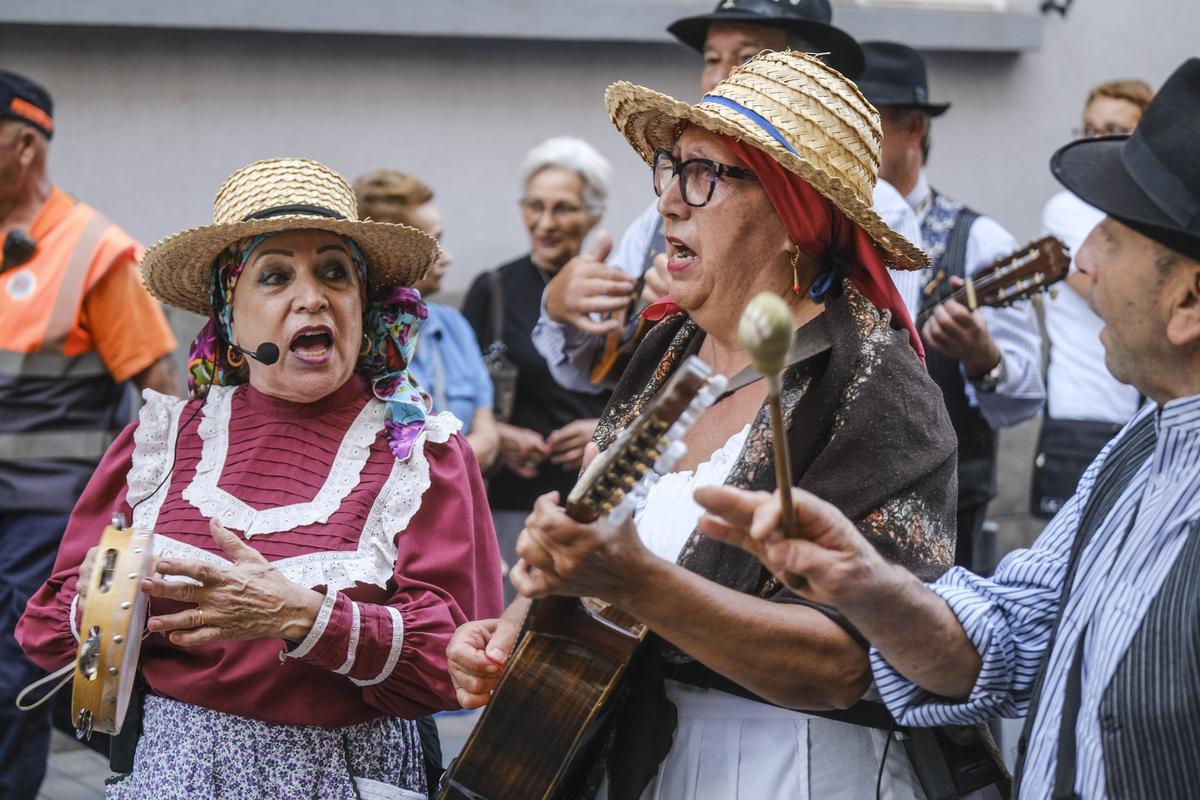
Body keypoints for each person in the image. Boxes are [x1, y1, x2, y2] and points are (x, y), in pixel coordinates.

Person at [450, 51, 964, 799]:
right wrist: (520, 622)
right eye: (671, 169)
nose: (667, 203)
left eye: (705, 174)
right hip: (646, 760)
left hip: (792, 771)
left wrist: (640, 584)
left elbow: (848, 664)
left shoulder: (875, 384)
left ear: (796, 215)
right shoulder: (669, 350)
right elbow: (600, 530)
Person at [697, 58, 1200, 799]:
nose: (1083, 263)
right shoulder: (1139, 448)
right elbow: (1003, 640)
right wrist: (870, 587)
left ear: (1189, 301)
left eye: (1113, 238)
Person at [16, 157, 504, 798]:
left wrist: (303, 617)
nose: (312, 296)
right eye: (275, 276)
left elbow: (460, 661)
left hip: (348, 776)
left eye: (335, 272)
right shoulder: (163, 440)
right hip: (173, 771)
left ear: (364, 304)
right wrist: (105, 604)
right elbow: (50, 628)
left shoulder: (418, 450)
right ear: (230, 317)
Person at [0, 69, 181, 800]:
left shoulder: (98, 252)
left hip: (45, 515)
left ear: (22, 146)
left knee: (9, 678)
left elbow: (164, 397)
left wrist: (150, 520)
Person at [531, 0, 868, 393]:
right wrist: (562, 306)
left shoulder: (868, 214)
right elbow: (595, 373)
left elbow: (869, 367)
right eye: (711, 59)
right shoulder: (663, 213)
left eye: (748, 58)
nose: (721, 78)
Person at [856, 41, 1045, 571]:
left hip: (945, 508)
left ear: (913, 128)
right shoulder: (822, 233)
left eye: (865, 125)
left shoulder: (983, 242)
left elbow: (1024, 398)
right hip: (841, 493)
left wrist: (983, 358)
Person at [460, 137, 613, 584]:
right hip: (509, 505)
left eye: (563, 208)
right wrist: (496, 433)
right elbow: (448, 392)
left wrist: (606, 429)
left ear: (594, 215)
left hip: (596, 504)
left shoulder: (620, 288)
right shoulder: (495, 289)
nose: (545, 223)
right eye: (535, 206)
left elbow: (657, 389)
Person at [1032, 79, 1153, 519]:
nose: (1096, 141)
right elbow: (1115, 295)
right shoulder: (1065, 209)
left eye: (1112, 132)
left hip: (1152, 409)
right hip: (1083, 411)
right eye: (1089, 130)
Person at [354, 169, 499, 470]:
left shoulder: (454, 326)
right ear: (394, 254)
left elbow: (489, 436)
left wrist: (437, 470)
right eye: (434, 242)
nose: (448, 257)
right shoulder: (355, 340)